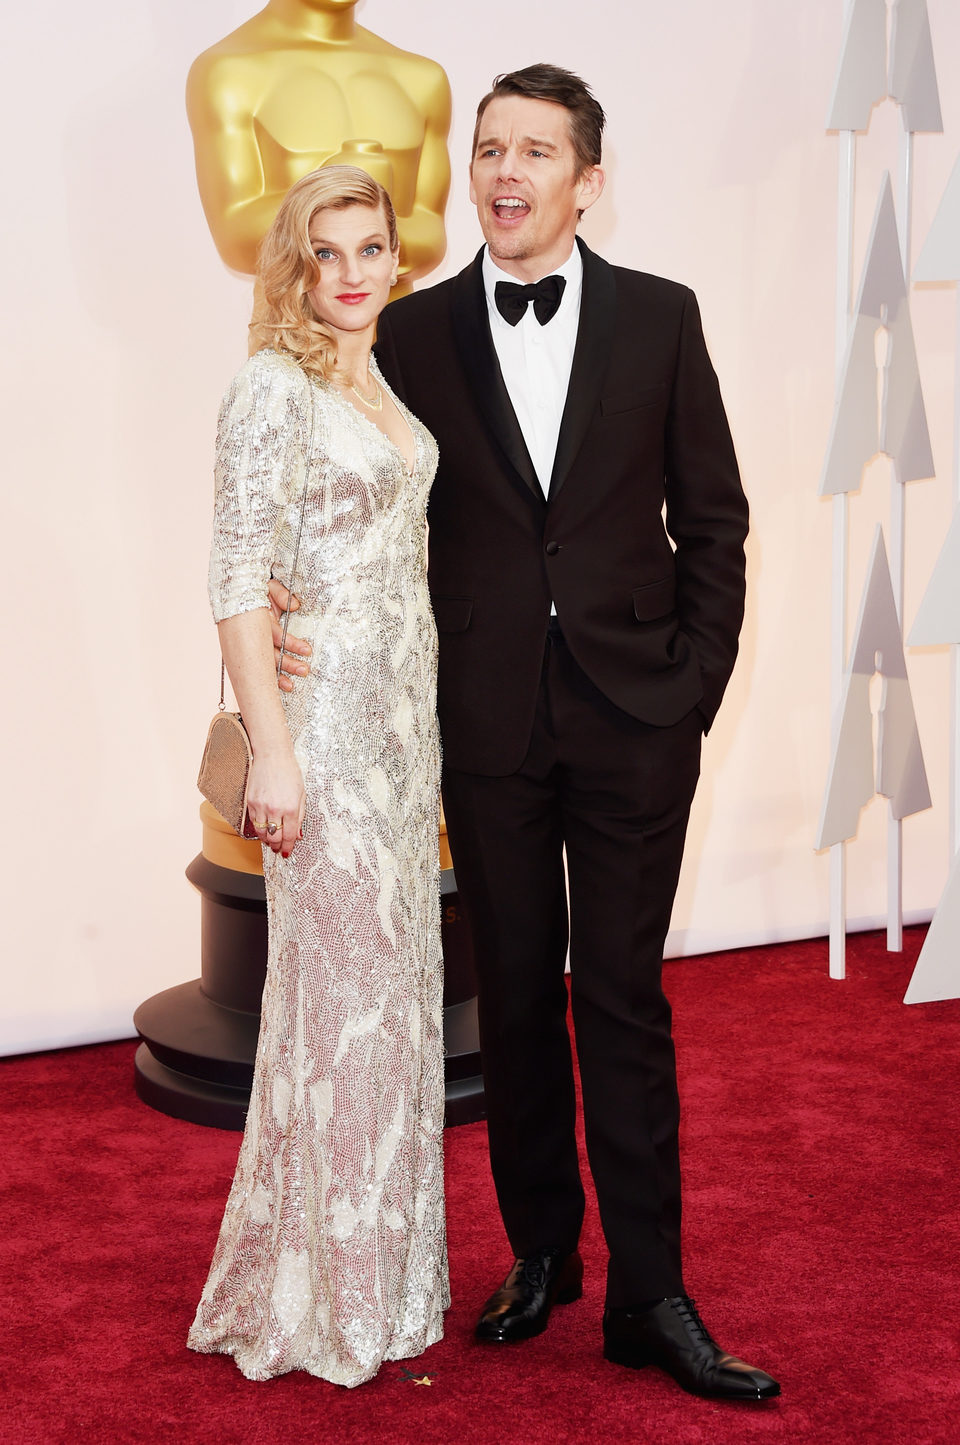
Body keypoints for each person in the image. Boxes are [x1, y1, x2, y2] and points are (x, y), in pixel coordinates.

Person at [274, 65, 780, 1402]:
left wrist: (691, 695)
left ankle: (652, 1293)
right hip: (482, 724)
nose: (504, 172)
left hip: (633, 725)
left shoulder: (662, 320)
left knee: (621, 1000)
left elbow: (714, 522)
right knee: (511, 998)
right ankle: (543, 1253)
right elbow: (366, 514)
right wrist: (300, 635)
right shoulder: (418, 330)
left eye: (536, 152)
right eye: (490, 149)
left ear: (585, 178)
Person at [187, 165, 448, 1387]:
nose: (351, 273)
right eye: (325, 253)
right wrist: (274, 754)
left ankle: (382, 1282)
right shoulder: (272, 389)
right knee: (336, 1009)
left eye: (370, 248)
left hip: (404, 731)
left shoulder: (379, 377)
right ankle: (319, 1294)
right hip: (328, 735)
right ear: (290, 266)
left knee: (392, 1006)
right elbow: (239, 579)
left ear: (397, 256)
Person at [186, 0, 451, 294]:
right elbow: (236, 241)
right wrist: (344, 194)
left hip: (401, 334)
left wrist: (334, 223)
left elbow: (431, 238)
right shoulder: (229, 72)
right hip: (296, 335)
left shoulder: (422, 79)